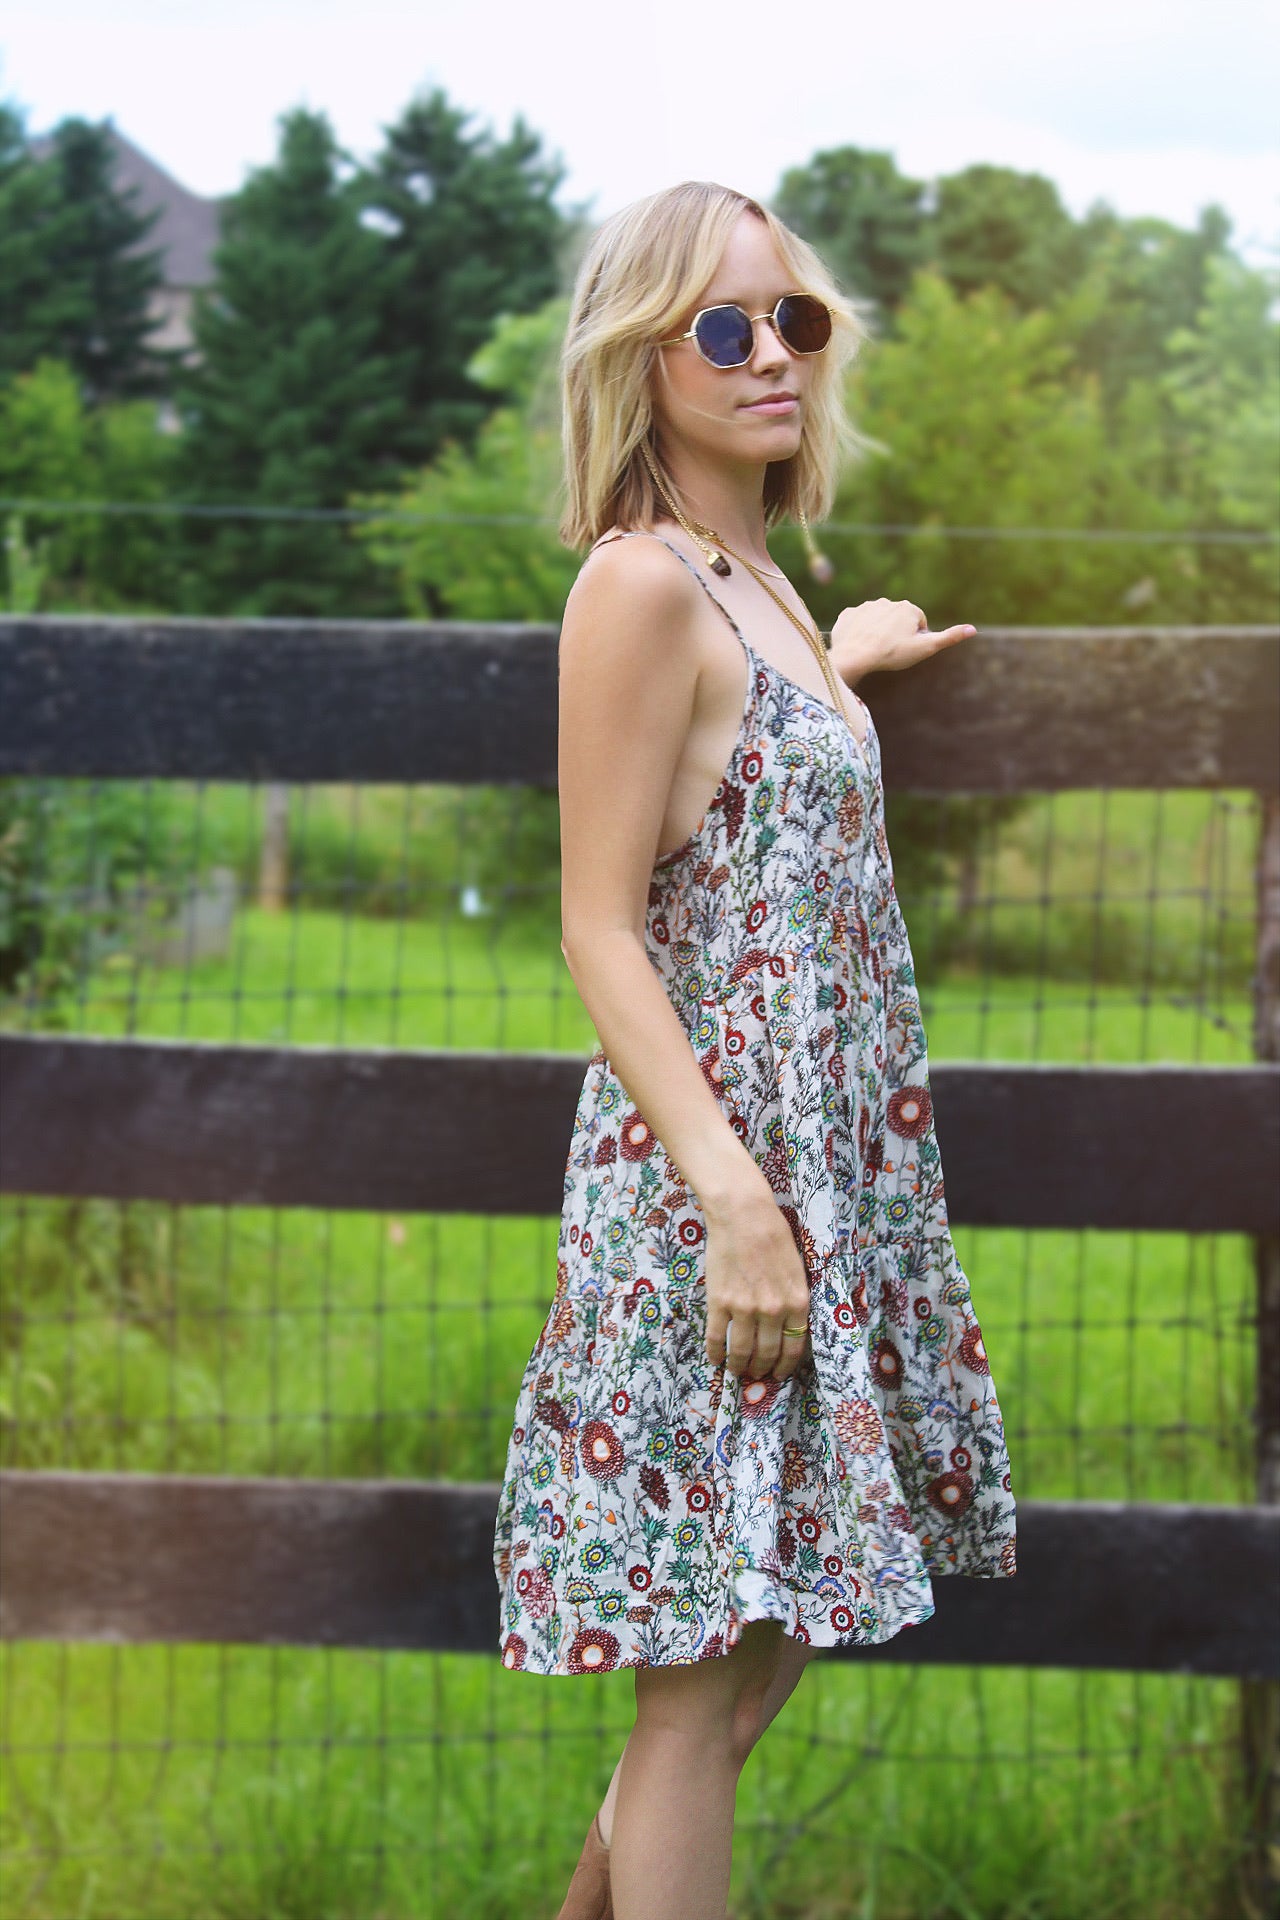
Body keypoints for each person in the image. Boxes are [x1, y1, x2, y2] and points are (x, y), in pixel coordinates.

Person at [491, 179, 1017, 1920]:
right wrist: (734, 1200)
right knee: (708, 1671)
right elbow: (598, 922)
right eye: (727, 327)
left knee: (761, 1643)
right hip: (716, 1192)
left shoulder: (759, 586)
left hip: (822, 1182)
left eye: (794, 318)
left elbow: (761, 782)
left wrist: (845, 666)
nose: (774, 353)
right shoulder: (639, 586)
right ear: (644, 360)